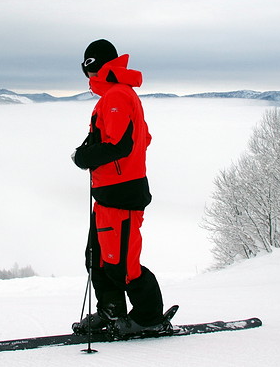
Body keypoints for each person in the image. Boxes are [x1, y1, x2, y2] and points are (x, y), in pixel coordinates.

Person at [71, 39, 170, 337]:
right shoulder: (115, 96)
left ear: (93, 66)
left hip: (122, 193)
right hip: (109, 192)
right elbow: (143, 138)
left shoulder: (116, 96)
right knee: (97, 256)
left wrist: (86, 156)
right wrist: (91, 149)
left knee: (123, 264)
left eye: (85, 69)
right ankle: (111, 310)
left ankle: (150, 318)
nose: (86, 78)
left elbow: (120, 145)